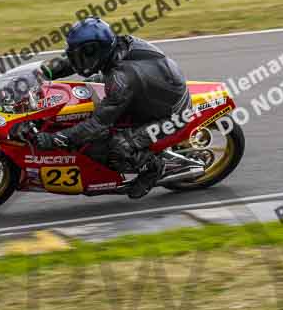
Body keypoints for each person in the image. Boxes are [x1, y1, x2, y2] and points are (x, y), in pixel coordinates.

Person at [35, 17, 191, 199]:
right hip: (149, 92)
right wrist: (43, 73)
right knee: (87, 89)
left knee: (118, 146)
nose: (78, 58)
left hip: (172, 116)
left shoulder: (121, 79)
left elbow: (97, 125)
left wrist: (57, 139)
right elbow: (77, 61)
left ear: (97, 50)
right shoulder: (113, 48)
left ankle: (154, 167)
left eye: (82, 53)